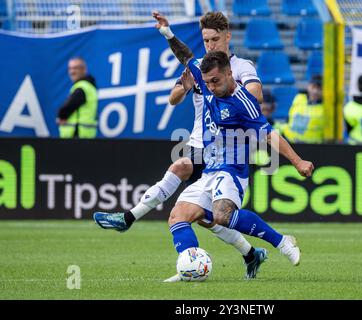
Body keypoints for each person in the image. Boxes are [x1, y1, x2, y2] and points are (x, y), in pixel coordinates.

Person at [94, 12, 268, 280]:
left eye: (215, 39)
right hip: (200, 143)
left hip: (226, 149)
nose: (210, 45)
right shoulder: (198, 67)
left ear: (227, 37)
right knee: (201, 217)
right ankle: (237, 257)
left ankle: (128, 218)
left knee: (182, 171)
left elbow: (255, 96)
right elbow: (173, 98)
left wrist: (227, 89)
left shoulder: (242, 67)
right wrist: (184, 85)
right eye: (206, 40)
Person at [148, 12, 314, 282]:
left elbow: (268, 134)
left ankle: (282, 241)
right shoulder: (206, 77)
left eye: (216, 81)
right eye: (207, 83)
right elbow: (186, 57)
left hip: (233, 167)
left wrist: (297, 162)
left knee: (223, 215)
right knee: (178, 216)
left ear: (230, 74)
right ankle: (189, 266)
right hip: (211, 167)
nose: (210, 87)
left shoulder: (242, 99)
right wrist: (167, 32)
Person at [57, 57, 98, 138]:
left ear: (84, 69)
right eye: (70, 68)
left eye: (76, 68)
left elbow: (68, 106)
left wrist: (61, 116)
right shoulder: (88, 86)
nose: (72, 71)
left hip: (77, 134)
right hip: (85, 134)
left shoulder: (82, 87)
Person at [282, 75, 324, 144]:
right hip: (289, 142)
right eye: (313, 87)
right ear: (308, 86)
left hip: (312, 147)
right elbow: (289, 119)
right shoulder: (299, 98)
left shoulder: (326, 108)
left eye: (320, 88)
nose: (315, 91)